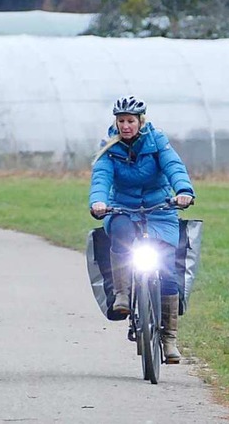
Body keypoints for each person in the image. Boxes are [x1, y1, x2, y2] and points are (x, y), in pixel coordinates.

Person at [89, 95, 195, 364]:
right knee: (121, 236)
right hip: (122, 208)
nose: (126, 126)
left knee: (168, 273)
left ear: (140, 121)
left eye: (131, 121)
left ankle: (169, 339)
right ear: (116, 122)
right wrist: (98, 202)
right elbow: (101, 176)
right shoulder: (109, 146)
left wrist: (183, 191)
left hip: (160, 209)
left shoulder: (157, 141)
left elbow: (174, 167)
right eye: (122, 121)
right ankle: (123, 293)